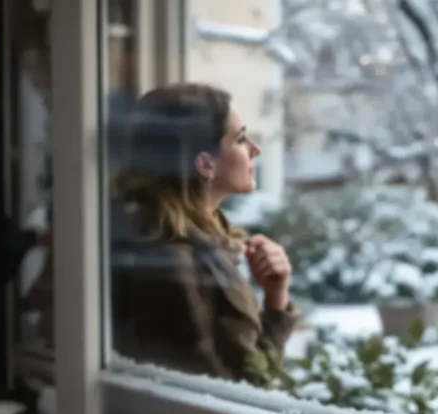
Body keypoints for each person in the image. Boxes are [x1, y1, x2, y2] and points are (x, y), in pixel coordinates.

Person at [110, 83, 299, 386]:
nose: (255, 149)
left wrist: (276, 294)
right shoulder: (178, 262)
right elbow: (248, 388)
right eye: (240, 139)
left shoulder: (169, 240)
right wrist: (276, 307)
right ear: (205, 163)